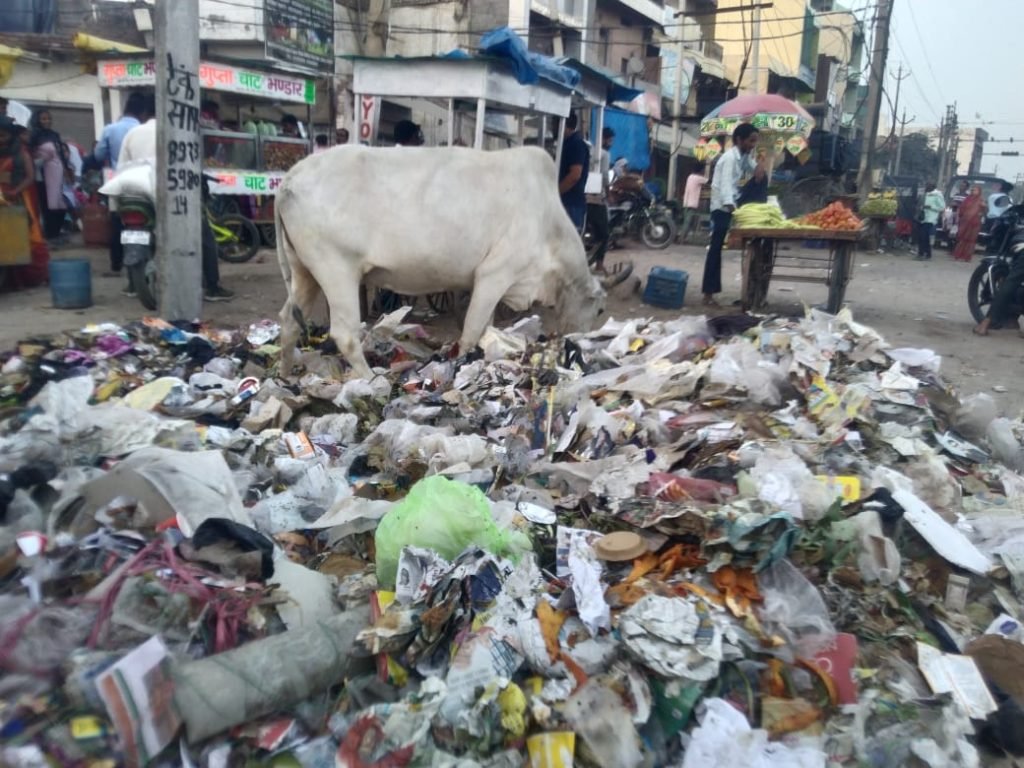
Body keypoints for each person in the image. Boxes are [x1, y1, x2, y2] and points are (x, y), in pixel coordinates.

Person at [117, 109, 234, 303]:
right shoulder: (179, 131)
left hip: (138, 193)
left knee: (131, 231)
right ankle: (213, 287)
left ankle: (132, 285)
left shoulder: (132, 134)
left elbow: (121, 168)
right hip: (175, 194)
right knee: (205, 237)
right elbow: (191, 165)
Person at [703, 123, 763, 307]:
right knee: (716, 248)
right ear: (739, 140)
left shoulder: (743, 156)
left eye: (755, 141)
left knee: (763, 178)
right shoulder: (729, 158)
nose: (753, 145)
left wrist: (759, 166)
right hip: (722, 207)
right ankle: (708, 294)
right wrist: (734, 211)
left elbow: (755, 170)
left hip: (734, 201)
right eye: (751, 141)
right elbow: (725, 187)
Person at [96, 92, 148, 277]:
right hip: (144, 181)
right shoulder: (143, 129)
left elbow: (98, 156)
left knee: (117, 221)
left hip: (117, 180)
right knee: (145, 220)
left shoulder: (110, 129)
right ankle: (142, 261)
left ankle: (117, 264)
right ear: (143, 112)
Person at [0, 117, 49, 288]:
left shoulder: (21, 153)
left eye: (3, 136)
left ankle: (25, 278)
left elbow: (30, 177)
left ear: (11, 135)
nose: (0, 139)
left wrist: (15, 191)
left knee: (24, 236)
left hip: (17, 198)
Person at [29, 109, 72, 241]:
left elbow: (61, 153)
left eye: (49, 118)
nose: (47, 121)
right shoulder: (34, 136)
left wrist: (67, 169)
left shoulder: (54, 135)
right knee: (47, 204)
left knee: (61, 203)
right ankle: (50, 233)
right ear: (37, 120)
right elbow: (30, 155)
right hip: (43, 174)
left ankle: (57, 231)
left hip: (58, 172)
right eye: (44, 119)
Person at [585, 126, 614, 273]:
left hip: (583, 197)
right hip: (596, 199)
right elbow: (604, 176)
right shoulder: (604, 154)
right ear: (604, 139)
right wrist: (609, 194)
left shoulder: (589, 150)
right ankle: (599, 264)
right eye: (610, 140)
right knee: (603, 233)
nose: (611, 143)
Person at [558, 112, 589, 233]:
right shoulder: (566, 144)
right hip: (568, 202)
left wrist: (556, 192)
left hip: (571, 203)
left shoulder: (575, 144)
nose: (552, 128)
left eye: (555, 124)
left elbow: (574, 175)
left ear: (564, 125)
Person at [953, 186, 985, 262]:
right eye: (973, 190)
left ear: (979, 192)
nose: (974, 191)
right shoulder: (967, 199)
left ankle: (967, 257)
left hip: (975, 223)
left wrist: (983, 209)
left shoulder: (981, 200)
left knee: (971, 240)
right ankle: (958, 255)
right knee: (962, 238)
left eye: (976, 190)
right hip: (965, 222)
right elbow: (962, 209)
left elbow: (984, 211)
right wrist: (962, 217)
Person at [914, 181, 945, 261]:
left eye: (929, 185)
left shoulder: (938, 195)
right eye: (926, 185)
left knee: (925, 237)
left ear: (933, 187)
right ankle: (925, 253)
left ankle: (923, 254)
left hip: (931, 219)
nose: (926, 187)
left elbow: (942, 207)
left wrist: (931, 207)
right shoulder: (924, 194)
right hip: (922, 218)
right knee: (921, 237)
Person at [680, 165, 708, 243]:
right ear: (700, 171)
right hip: (692, 203)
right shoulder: (698, 178)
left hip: (686, 202)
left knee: (687, 221)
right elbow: (709, 181)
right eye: (703, 170)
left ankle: (683, 237)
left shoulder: (690, 177)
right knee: (688, 221)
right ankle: (682, 238)